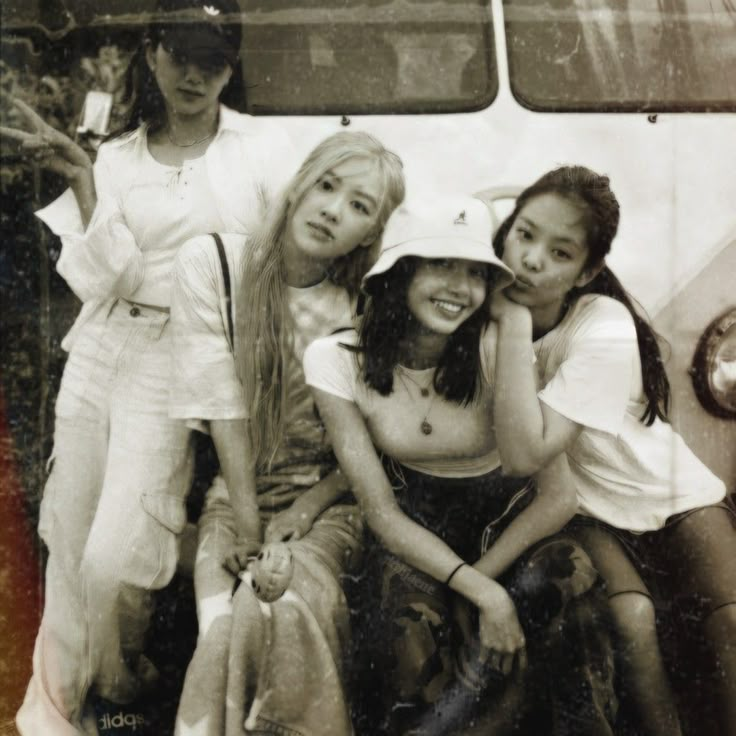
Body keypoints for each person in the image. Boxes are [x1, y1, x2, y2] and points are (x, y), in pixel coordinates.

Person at [4, 1, 295, 732]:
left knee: (116, 556)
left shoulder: (263, 150)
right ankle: (59, 711)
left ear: (233, 67)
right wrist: (81, 174)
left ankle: (125, 681)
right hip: (105, 347)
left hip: (186, 359)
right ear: (153, 54)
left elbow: (278, 269)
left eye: (215, 58)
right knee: (67, 538)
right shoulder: (117, 155)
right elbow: (108, 281)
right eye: (180, 53)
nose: (196, 74)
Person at [304, 195, 618, 735]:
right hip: (415, 532)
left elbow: (558, 496)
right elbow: (380, 511)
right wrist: (478, 592)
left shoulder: (498, 348)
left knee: (572, 578)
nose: (459, 287)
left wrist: (482, 583)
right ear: (400, 271)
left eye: (475, 273)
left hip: (511, 528)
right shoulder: (335, 358)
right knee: (408, 635)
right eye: (441, 264)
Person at [169, 130, 406, 736]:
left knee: (280, 604)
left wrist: (302, 511)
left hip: (327, 507)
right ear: (299, 185)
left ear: (370, 234)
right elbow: (221, 405)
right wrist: (249, 530)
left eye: (360, 206)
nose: (332, 210)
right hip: (235, 499)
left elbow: (371, 441)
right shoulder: (215, 265)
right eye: (328, 186)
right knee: (224, 624)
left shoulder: (366, 308)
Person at [489, 165, 736, 736]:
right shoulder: (485, 320)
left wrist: (512, 322)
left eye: (559, 252)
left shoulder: (602, 322)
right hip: (585, 510)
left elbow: (530, 449)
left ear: (587, 271)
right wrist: (509, 324)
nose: (530, 260)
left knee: (730, 615)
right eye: (523, 235)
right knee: (630, 615)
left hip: (667, 493)